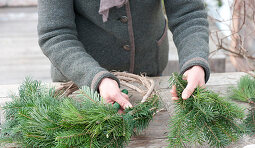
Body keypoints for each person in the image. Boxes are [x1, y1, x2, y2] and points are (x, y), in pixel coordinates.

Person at [37, 0, 210, 110]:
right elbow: (55, 34)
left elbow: (188, 13)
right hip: (80, 86)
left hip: (149, 82)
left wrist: (194, 61)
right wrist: (96, 78)